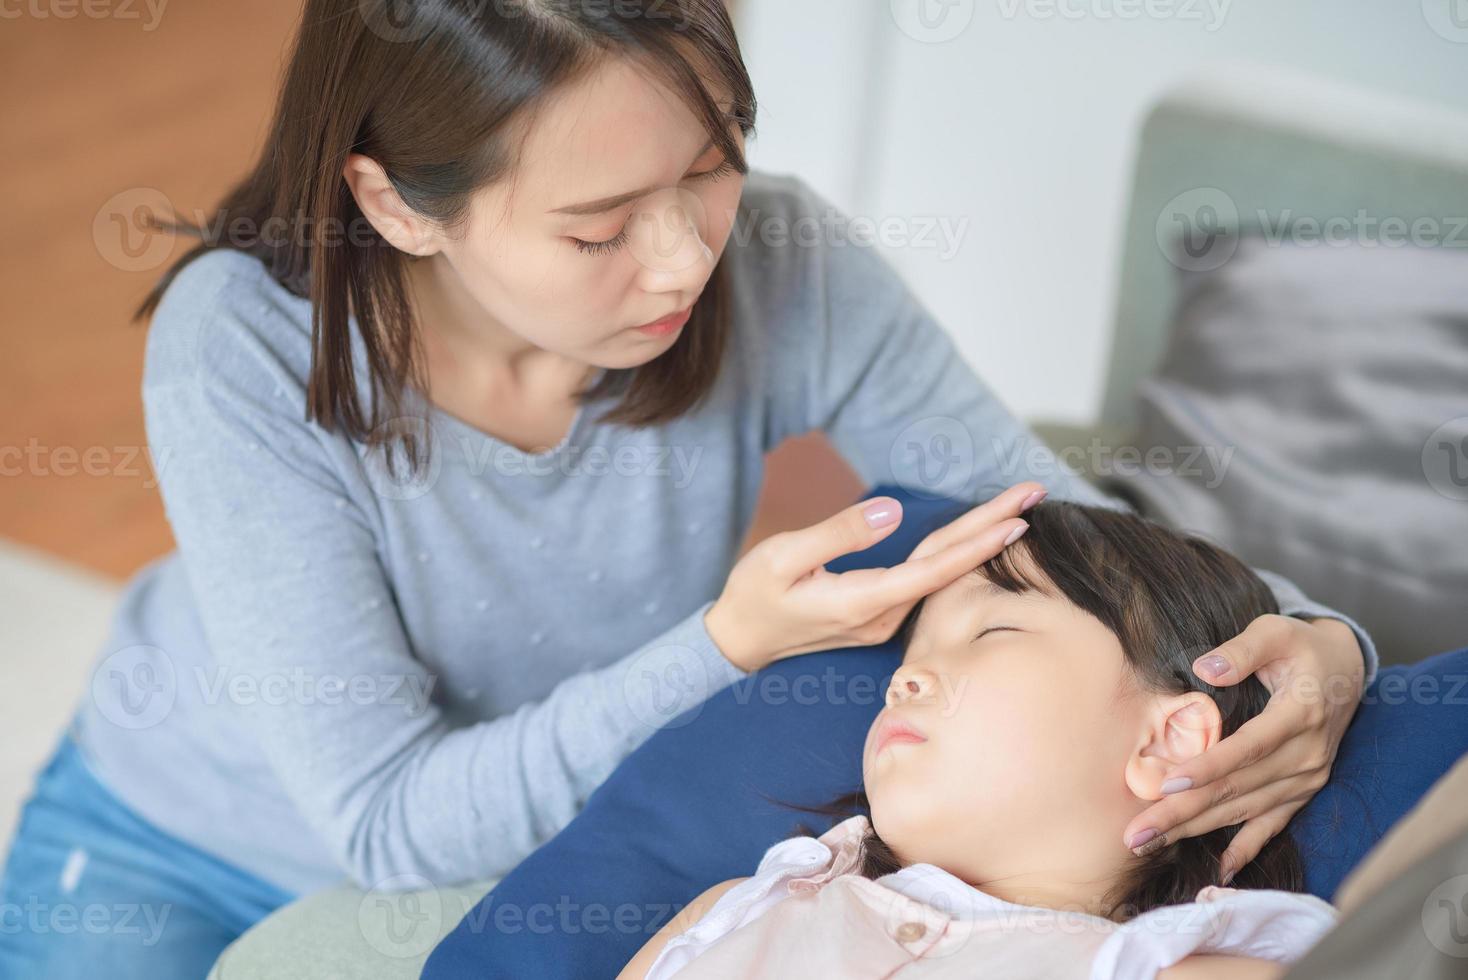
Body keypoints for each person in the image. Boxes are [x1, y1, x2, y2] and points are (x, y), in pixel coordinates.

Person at [0, 1, 1375, 976]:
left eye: (710, 170)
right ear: (399, 204)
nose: (681, 263)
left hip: (544, 832)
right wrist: (727, 647)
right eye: (596, 227)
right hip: (180, 837)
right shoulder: (242, 347)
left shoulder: (782, 259)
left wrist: (1324, 643)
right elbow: (386, 821)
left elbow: (1067, 533)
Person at [622, 501, 1343, 979]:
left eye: (993, 631)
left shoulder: (1179, 969)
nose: (904, 680)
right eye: (908, 657)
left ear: (1170, 739)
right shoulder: (732, 911)